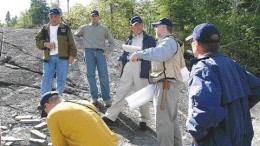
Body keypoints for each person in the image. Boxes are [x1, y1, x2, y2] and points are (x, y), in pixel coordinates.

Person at [185, 23, 260, 146]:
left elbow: (205, 111)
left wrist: (196, 133)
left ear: (196, 44)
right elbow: (257, 88)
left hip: (216, 140)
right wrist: (237, 108)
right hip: (241, 139)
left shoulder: (203, 69)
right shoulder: (232, 63)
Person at [129, 18, 184, 146]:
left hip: (166, 87)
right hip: (168, 86)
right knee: (171, 121)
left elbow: (159, 54)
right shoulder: (170, 42)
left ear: (164, 27)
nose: (155, 29)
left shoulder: (168, 42)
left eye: (156, 26)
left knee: (163, 123)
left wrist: (139, 54)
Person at [101, 16, 156, 130]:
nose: (139, 26)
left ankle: (143, 120)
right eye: (136, 25)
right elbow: (124, 54)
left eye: (140, 24)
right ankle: (110, 115)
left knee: (142, 93)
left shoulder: (150, 39)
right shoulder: (129, 39)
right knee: (121, 91)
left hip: (142, 66)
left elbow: (153, 54)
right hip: (128, 66)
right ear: (131, 27)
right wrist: (120, 61)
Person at [40, 91, 118, 146]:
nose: (47, 114)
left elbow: (59, 144)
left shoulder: (53, 115)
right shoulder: (85, 103)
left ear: (47, 105)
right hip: (112, 143)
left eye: (46, 112)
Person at [74, 10, 115, 107]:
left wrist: (107, 51)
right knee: (90, 75)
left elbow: (112, 42)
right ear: (90, 17)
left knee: (104, 76)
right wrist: (81, 45)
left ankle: (107, 99)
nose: (94, 17)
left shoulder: (104, 29)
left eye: (96, 15)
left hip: (101, 53)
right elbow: (76, 35)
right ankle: (94, 97)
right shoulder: (85, 28)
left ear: (99, 17)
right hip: (88, 53)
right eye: (93, 15)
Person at [35, 8, 77, 96]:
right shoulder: (45, 28)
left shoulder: (65, 28)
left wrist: (72, 55)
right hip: (48, 58)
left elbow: (71, 43)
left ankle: (57, 99)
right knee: (47, 78)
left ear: (60, 17)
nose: (53, 18)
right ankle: (45, 100)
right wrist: (45, 44)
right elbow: (37, 41)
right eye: (51, 16)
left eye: (56, 16)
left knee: (61, 79)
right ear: (49, 17)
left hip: (63, 58)